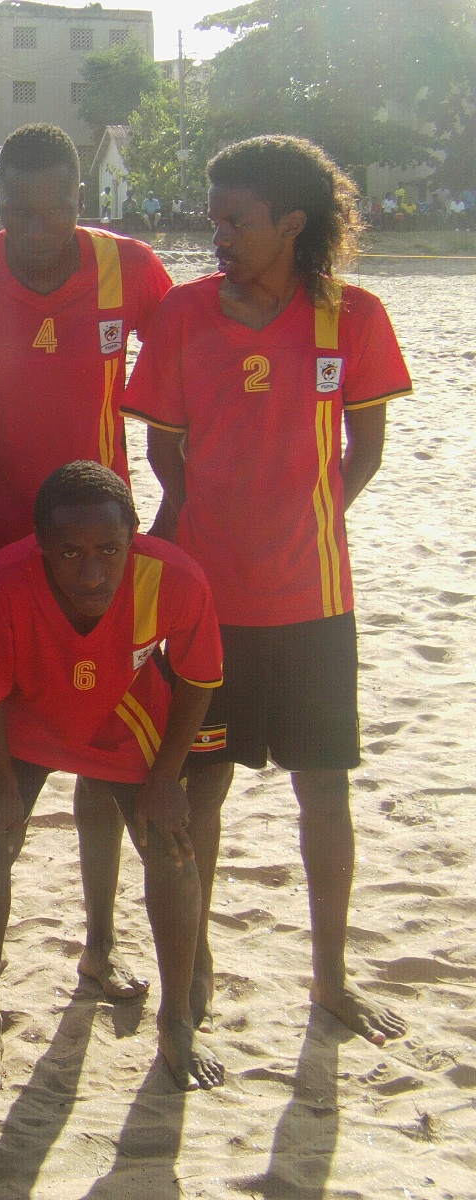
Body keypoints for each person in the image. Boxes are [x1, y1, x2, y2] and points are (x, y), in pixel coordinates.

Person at [124, 134, 412, 1047]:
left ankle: (330, 978)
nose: (217, 235)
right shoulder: (183, 315)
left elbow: (366, 449)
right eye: (213, 218)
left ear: (292, 222)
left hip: (315, 603)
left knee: (323, 789)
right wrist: (211, 525)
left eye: (236, 220)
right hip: (208, 606)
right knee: (201, 788)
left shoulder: (351, 317)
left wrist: (308, 517)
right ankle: (195, 966)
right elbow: (163, 450)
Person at [0, 123, 174, 1001]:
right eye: (19, 210)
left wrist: (177, 502)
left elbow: (187, 360)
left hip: (100, 558)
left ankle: (99, 946)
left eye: (57, 209)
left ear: (80, 202)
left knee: (104, 760)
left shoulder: (129, 267)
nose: (38, 228)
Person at [0, 462, 225, 1095]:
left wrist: (167, 777)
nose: (92, 570)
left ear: (134, 534)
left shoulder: (174, 577)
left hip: (122, 717)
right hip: (23, 718)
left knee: (173, 847)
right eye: (70, 552)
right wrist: (2, 788)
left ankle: (176, 1021)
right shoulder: (6, 580)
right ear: (41, 545)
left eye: (108, 549)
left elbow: (199, 678)